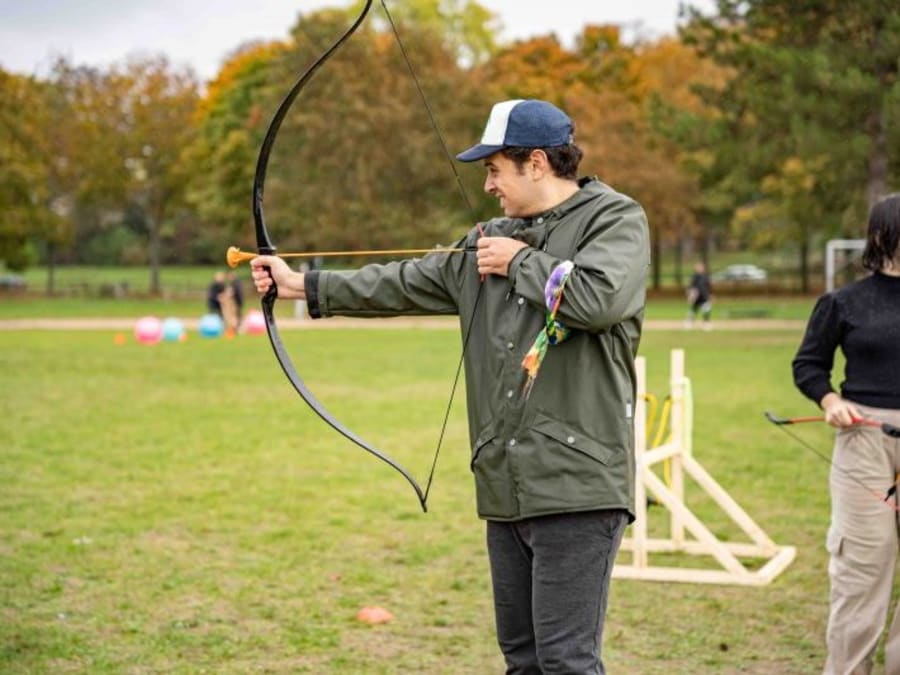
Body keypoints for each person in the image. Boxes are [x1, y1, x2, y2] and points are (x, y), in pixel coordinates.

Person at [251, 98, 650, 674]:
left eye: (494, 168)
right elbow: (406, 281)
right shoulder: (492, 236)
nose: (487, 184)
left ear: (536, 163)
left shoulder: (614, 220)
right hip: (505, 482)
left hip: (577, 482)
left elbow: (597, 299)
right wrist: (301, 285)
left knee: (567, 661)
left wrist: (519, 262)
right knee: (523, 660)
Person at [792, 193, 900, 675]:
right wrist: (831, 401)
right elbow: (809, 365)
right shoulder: (843, 302)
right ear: (882, 236)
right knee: (863, 569)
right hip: (865, 441)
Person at [685, 261, 712, 329]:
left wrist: (710, 295)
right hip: (696, 297)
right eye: (698, 267)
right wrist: (690, 295)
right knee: (693, 310)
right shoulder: (694, 276)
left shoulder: (706, 276)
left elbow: (708, 287)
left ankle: (706, 323)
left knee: (706, 309)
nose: (699, 268)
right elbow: (690, 286)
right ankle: (689, 323)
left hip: (704, 296)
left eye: (701, 267)